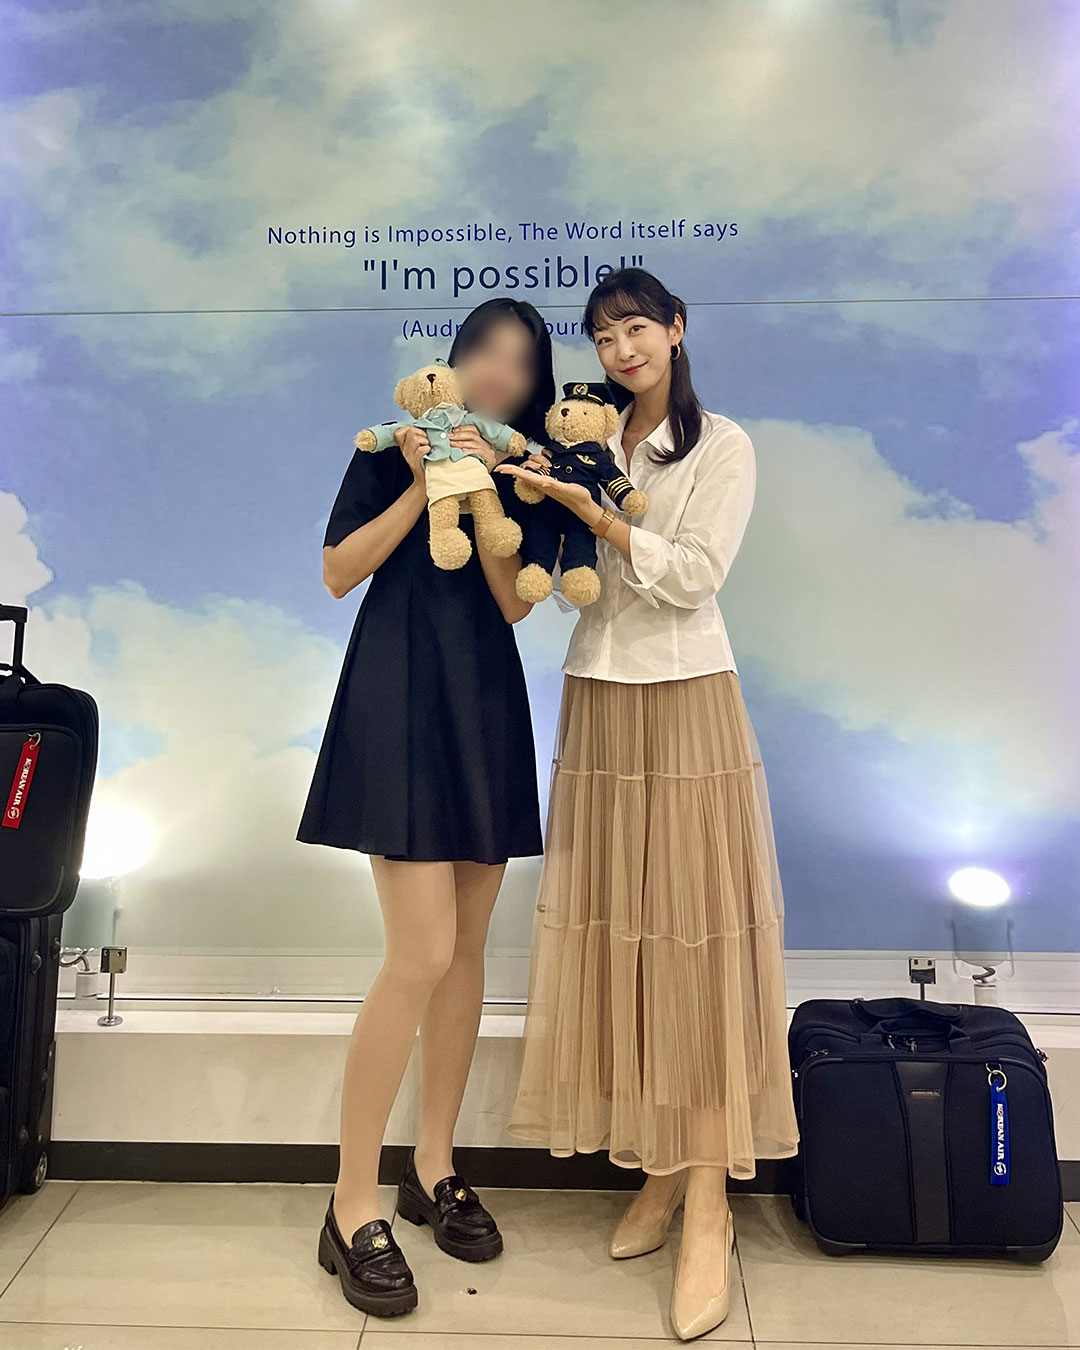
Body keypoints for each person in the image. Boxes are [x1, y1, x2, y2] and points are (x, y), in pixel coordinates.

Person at [498, 268, 799, 1342]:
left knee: (697, 943)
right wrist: (549, 511)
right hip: (600, 695)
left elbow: (697, 575)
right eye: (603, 335)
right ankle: (661, 1170)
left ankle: (709, 1199)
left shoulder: (722, 446)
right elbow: (565, 574)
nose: (621, 349)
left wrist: (603, 520)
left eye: (636, 327)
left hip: (686, 698)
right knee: (626, 941)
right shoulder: (585, 436)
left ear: (676, 328)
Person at [298, 298, 554, 1318]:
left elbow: (514, 600)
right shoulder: (387, 444)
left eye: (519, 363)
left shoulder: (526, 466)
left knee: (466, 954)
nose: (498, 372)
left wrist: (490, 489)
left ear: (531, 388)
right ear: (452, 362)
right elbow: (338, 572)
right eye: (485, 351)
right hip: (398, 695)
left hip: (482, 702)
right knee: (419, 954)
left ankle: (434, 1165)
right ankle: (350, 1201)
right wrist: (419, 482)